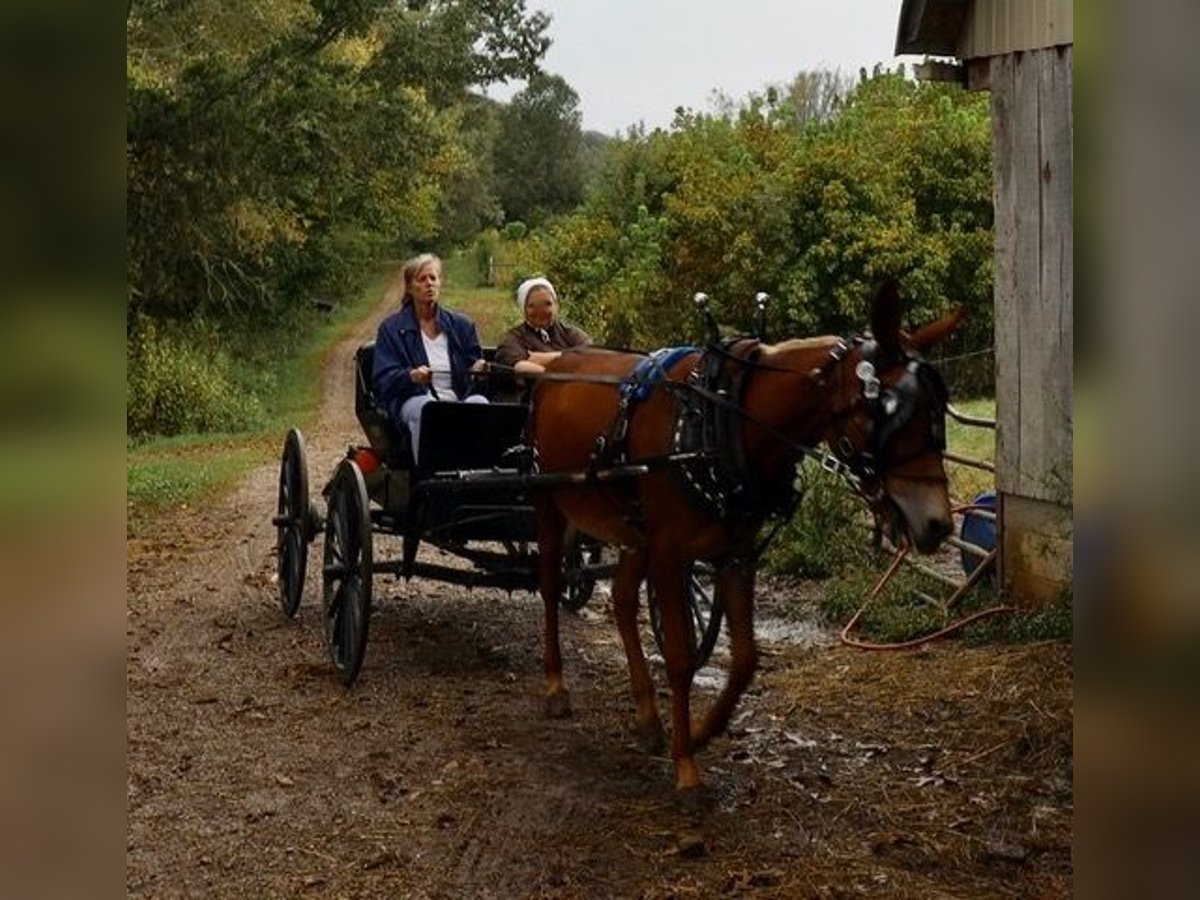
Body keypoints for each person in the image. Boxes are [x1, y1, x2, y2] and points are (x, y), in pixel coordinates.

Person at [372, 253, 488, 463]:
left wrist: (478, 371)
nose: (429, 284)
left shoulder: (461, 325)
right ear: (409, 287)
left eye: (433, 278)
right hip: (412, 399)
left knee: (480, 403)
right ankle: (429, 479)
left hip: (458, 398)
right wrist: (411, 376)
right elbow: (383, 378)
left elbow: (475, 371)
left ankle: (478, 475)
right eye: (422, 279)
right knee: (428, 410)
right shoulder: (391, 329)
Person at [495, 276, 591, 375]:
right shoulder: (513, 338)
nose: (541, 311)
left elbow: (591, 356)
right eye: (532, 306)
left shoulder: (570, 333)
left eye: (547, 304)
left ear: (556, 305)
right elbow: (517, 366)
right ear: (523, 309)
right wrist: (564, 369)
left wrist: (547, 358)